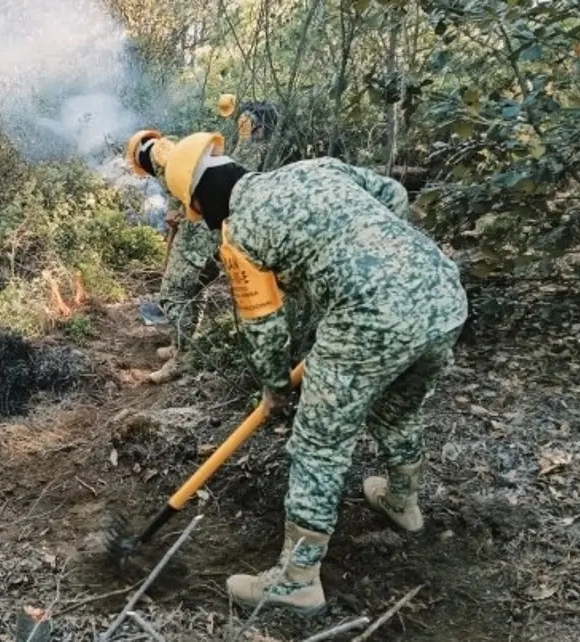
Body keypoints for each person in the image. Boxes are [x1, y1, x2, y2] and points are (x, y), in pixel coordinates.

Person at [162, 132, 468, 614]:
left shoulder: (239, 236)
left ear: (200, 201)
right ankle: (402, 503)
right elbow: (394, 195)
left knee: (319, 445)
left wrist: (276, 389)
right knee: (397, 409)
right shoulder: (315, 168)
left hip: (368, 318)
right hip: (442, 296)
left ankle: (297, 579)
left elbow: (264, 328)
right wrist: (381, 262)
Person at [127, 125, 314, 383]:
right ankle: (182, 344)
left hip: (198, 229)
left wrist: (180, 212)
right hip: (202, 222)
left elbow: (188, 186)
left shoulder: (157, 153)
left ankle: (182, 358)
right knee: (197, 285)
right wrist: (175, 210)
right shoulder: (171, 146)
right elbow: (179, 187)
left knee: (174, 292)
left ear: (138, 158)